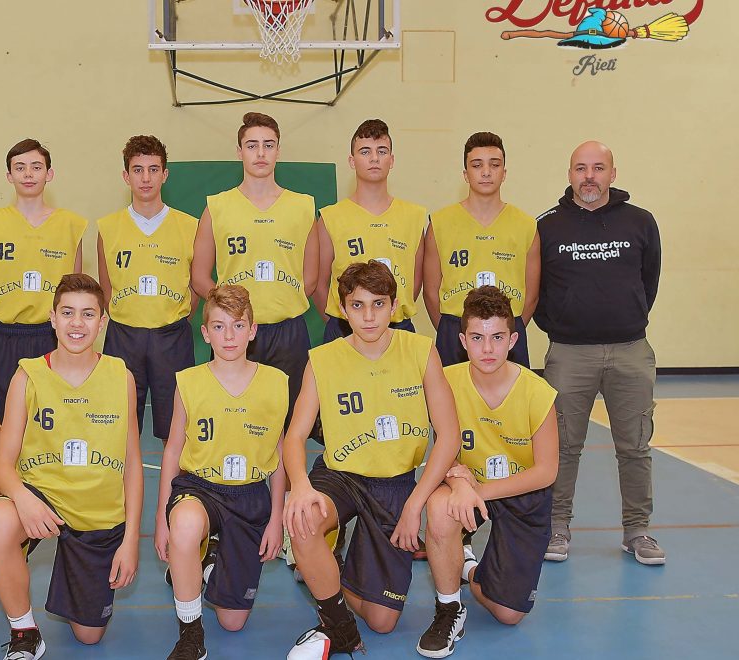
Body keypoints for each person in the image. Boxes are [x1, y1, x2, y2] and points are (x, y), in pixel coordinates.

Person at [283, 260, 460, 659]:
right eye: (357, 305)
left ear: (394, 306)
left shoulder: (420, 351)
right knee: (304, 520)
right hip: (340, 476)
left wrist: (415, 505)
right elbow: (294, 436)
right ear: (342, 309)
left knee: (382, 621)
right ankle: (339, 626)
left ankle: (330, 571)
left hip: (395, 484)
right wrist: (301, 487)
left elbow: (448, 435)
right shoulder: (322, 359)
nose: (368, 316)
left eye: (378, 304)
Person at [0, 274, 142, 659]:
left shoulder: (121, 377)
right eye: (67, 313)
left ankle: (76, 578)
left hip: (98, 509)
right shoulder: (27, 375)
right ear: (52, 318)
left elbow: (133, 465)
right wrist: (22, 498)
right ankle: (25, 633)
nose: (77, 323)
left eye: (88, 314)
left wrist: (131, 540)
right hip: (42, 493)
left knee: (89, 636)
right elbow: (2, 464)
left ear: (102, 322)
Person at [534, 140, 664, 565]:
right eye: (581, 168)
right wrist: (563, 324)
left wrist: (626, 317)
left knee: (635, 446)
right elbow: (537, 289)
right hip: (569, 354)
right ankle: (557, 527)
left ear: (612, 173)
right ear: (570, 174)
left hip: (630, 350)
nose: (589, 176)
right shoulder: (547, 226)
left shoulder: (641, 222)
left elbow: (649, 281)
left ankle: (637, 530)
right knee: (563, 447)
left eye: (598, 168)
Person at [415, 286, 558, 658]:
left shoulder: (538, 392)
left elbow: (546, 471)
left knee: (508, 614)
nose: (488, 348)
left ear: (513, 340)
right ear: (463, 341)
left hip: (521, 491)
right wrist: (459, 482)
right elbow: (443, 451)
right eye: (477, 338)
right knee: (439, 507)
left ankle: (468, 570)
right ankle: (449, 609)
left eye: (497, 337)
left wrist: (478, 489)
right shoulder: (446, 382)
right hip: (467, 483)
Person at [154, 284, 288, 660]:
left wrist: (276, 518)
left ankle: (206, 563)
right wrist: (162, 518)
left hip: (249, 494)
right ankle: (191, 634)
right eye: (219, 326)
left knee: (232, 621)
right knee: (184, 526)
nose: (229, 336)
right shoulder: (189, 382)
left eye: (238, 325)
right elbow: (172, 450)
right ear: (205, 332)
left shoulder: (276, 383)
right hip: (199, 486)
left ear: (252, 330)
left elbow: (279, 456)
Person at [0, 138, 87, 571]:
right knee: (1, 433)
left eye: (36, 166)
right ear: (9, 175)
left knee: (57, 430)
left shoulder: (72, 224)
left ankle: (66, 520)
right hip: (6, 336)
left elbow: (76, 292)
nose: (28, 174)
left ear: (49, 174)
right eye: (20, 167)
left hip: (53, 339)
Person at [192, 112, 318, 425]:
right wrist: (228, 310)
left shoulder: (303, 206)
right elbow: (199, 276)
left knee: (291, 423)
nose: (260, 153)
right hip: (234, 330)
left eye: (268, 145)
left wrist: (280, 302)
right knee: (232, 420)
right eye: (252, 145)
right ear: (239, 152)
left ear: (278, 151)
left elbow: (311, 278)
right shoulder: (217, 206)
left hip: (288, 332)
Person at [97, 135, 198, 445]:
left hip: (172, 337)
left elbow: (195, 285)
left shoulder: (190, 226)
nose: (145, 178)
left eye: (153, 169)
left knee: (176, 430)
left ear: (165, 174)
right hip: (123, 336)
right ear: (126, 176)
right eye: (138, 170)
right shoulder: (107, 228)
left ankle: (175, 480)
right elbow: (106, 288)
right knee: (119, 429)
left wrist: (173, 318)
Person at [422, 132, 539, 367]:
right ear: (466, 174)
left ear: (504, 173)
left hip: (507, 330)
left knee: (512, 393)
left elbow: (531, 296)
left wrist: (505, 332)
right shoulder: (440, 222)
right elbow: (431, 292)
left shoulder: (526, 225)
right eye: (477, 165)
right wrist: (452, 329)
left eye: (494, 165)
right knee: (452, 392)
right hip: (455, 330)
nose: (486, 172)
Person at [316, 119, 426, 340]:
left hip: (398, 327)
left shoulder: (414, 216)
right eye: (365, 151)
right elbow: (319, 285)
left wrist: (387, 313)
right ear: (352, 161)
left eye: (382, 151)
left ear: (391, 160)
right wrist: (346, 320)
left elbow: (414, 283)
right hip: (344, 328)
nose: (374, 158)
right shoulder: (330, 217)